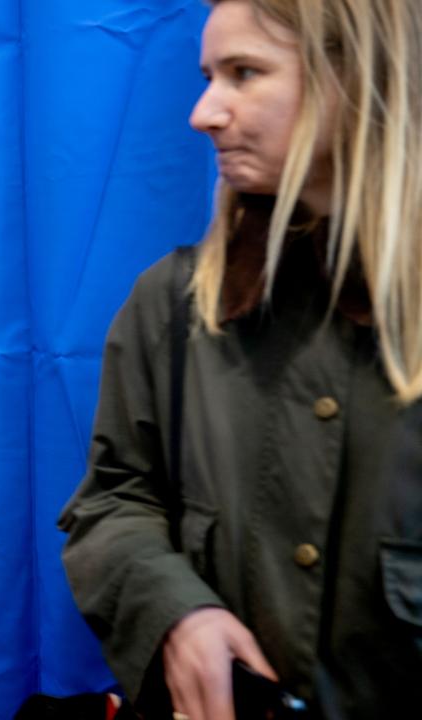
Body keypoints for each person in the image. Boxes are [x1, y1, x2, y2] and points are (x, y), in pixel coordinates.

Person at [59, 1, 422, 719]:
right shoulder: (172, 302)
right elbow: (113, 497)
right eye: (209, 75)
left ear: (357, 78)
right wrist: (175, 611)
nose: (203, 113)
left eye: (244, 73)